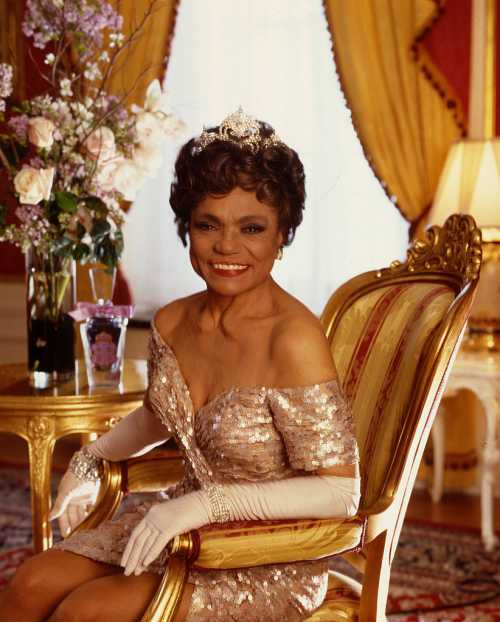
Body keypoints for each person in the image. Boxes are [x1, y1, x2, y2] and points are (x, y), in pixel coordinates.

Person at [0, 109, 360, 622]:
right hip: (180, 530)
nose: (227, 247)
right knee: (31, 582)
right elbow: (158, 418)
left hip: (267, 555)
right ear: (187, 228)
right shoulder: (172, 321)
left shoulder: (294, 338)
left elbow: (340, 492)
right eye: (208, 224)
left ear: (283, 235)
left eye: (251, 228)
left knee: (89, 612)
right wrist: (90, 461)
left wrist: (199, 507)